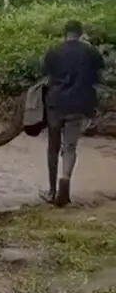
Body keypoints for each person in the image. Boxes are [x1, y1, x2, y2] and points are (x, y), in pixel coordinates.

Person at [41, 20, 104, 207]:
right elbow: (98, 75)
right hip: (78, 103)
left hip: (55, 102)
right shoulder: (90, 52)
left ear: (65, 33)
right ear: (81, 33)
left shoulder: (54, 51)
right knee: (70, 147)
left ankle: (52, 191)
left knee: (53, 147)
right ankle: (65, 183)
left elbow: (46, 74)